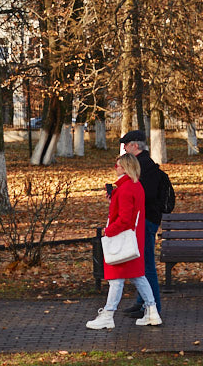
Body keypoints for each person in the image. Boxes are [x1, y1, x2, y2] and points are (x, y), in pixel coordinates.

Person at [86, 152, 162, 330]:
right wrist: (114, 199)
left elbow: (125, 218)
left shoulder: (125, 188)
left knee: (116, 279)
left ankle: (108, 314)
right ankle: (152, 311)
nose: (115, 168)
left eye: (117, 165)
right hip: (133, 240)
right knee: (138, 276)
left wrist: (108, 230)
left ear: (126, 167)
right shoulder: (135, 186)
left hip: (122, 240)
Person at [118, 129, 165, 318]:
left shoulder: (146, 166)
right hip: (144, 220)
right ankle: (143, 302)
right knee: (141, 265)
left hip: (146, 221)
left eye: (126, 145)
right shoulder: (143, 164)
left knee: (146, 266)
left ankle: (153, 306)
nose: (124, 149)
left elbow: (144, 195)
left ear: (135, 146)